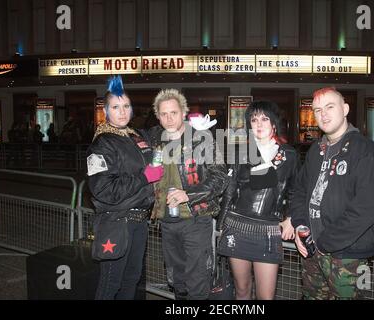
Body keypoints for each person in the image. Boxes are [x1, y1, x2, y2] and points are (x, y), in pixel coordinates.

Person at [290, 87, 374, 300]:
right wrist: (300, 227)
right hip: (311, 251)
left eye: (329, 107)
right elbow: (299, 191)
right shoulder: (316, 150)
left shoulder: (366, 151)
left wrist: (325, 242)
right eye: (316, 110)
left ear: (345, 109)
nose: (322, 114)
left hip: (350, 255)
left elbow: (367, 208)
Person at [86, 75, 164, 299]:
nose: (122, 111)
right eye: (116, 107)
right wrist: (144, 177)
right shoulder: (103, 143)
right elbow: (102, 190)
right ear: (106, 111)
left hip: (139, 221)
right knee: (111, 283)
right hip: (117, 222)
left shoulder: (135, 135)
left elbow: (160, 135)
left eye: (126, 106)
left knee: (131, 281)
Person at [216, 100, 300, 300]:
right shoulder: (240, 152)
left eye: (264, 119)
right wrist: (221, 225)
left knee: (265, 297)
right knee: (242, 290)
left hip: (268, 229)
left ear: (274, 124)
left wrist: (291, 218)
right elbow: (230, 190)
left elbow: (296, 191)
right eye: (254, 120)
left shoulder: (288, 154)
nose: (259, 124)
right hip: (237, 226)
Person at [149, 88, 228, 300]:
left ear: (183, 112)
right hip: (166, 222)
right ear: (158, 116)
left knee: (197, 281)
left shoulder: (203, 140)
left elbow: (220, 178)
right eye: (163, 114)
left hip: (196, 219)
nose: (169, 118)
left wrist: (188, 195)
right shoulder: (155, 139)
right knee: (177, 282)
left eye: (173, 112)